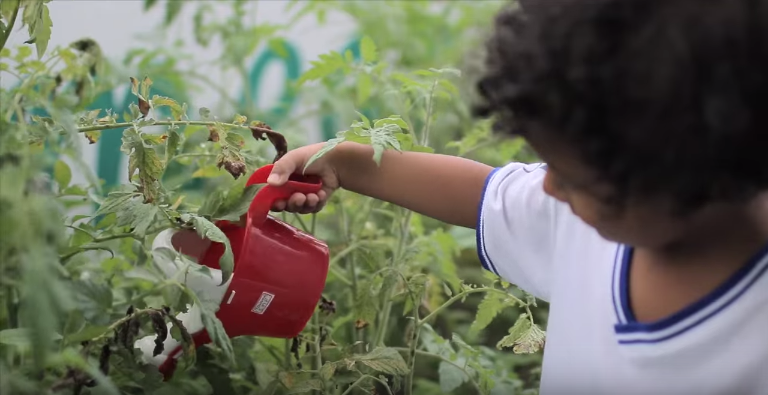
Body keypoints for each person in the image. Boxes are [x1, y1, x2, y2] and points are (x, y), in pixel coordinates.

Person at [266, 0, 768, 393]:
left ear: (691, 174)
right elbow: (483, 195)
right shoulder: (596, 216)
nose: (549, 187)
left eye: (575, 181)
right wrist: (346, 162)